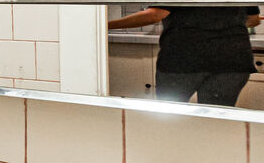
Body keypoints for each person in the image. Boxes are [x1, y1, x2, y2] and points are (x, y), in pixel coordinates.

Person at [108, 6, 260, 107]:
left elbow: (154, 15)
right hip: (233, 58)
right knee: (215, 121)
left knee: (170, 118)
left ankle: (172, 153)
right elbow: (253, 20)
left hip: (184, 58)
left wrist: (105, 24)